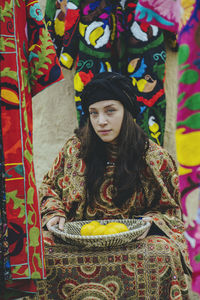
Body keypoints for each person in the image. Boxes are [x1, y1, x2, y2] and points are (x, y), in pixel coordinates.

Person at [39, 72, 191, 299]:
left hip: (133, 244)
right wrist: (53, 213)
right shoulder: (74, 150)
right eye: (94, 113)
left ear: (127, 112)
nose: (101, 121)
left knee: (163, 252)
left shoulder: (154, 157)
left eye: (110, 111)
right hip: (77, 243)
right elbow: (49, 188)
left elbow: (171, 210)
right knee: (39, 250)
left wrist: (152, 221)